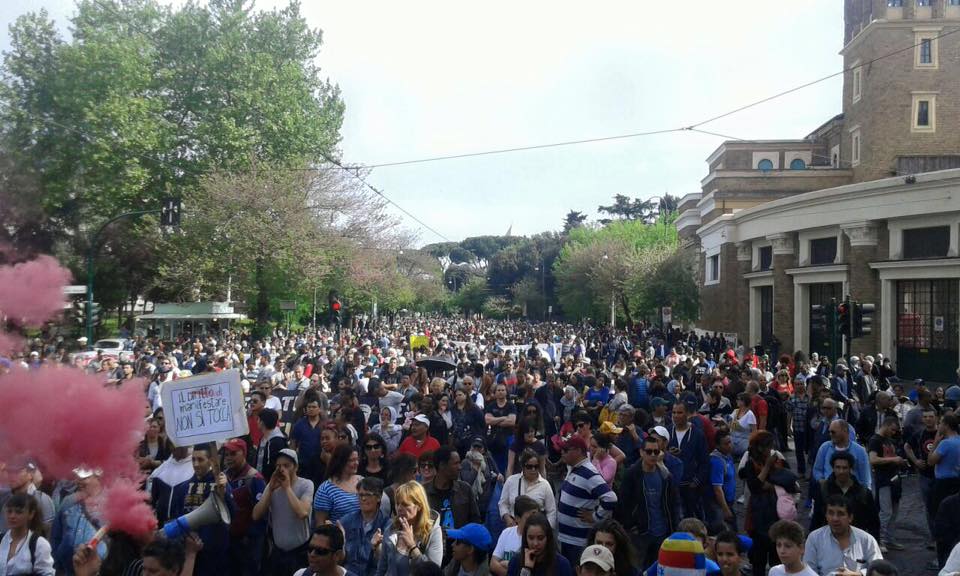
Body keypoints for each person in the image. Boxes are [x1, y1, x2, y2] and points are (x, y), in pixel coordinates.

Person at [615, 436, 681, 568]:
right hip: (640, 533)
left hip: (661, 532)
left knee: (659, 569)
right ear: (641, 452)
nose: (653, 455)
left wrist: (673, 528)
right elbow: (623, 503)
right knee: (637, 568)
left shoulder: (665, 475)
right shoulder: (632, 474)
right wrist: (629, 525)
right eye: (649, 451)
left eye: (656, 452)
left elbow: (673, 504)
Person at [252, 448, 314, 576]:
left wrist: (287, 488)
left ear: (295, 467)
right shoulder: (272, 486)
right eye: (279, 466)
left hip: (300, 552)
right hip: (278, 552)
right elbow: (256, 515)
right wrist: (269, 490)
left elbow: (302, 513)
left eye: (286, 466)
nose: (282, 470)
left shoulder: (306, 484)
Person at [556, 436, 617, 566]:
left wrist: (595, 517)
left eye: (566, 450)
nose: (562, 452)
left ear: (578, 451)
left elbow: (610, 498)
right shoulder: (574, 468)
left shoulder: (589, 473)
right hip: (569, 538)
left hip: (578, 541)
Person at [376, 481, 444, 575]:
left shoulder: (433, 532)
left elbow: (433, 572)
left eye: (405, 504)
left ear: (419, 506)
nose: (399, 508)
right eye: (397, 503)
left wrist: (412, 547)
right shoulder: (391, 529)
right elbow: (381, 569)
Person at [803, 495, 882, 576]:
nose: (835, 518)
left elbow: (880, 570)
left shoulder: (867, 540)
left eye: (840, 514)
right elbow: (808, 571)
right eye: (830, 513)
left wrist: (857, 574)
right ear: (826, 516)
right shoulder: (814, 538)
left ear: (850, 517)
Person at [222, 438, 267, 576]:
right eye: (227, 453)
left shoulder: (255, 479)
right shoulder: (223, 477)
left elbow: (262, 514)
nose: (229, 457)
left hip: (249, 543)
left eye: (233, 453)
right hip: (229, 540)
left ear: (244, 453)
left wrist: (251, 538)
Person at [50, 468, 106, 575]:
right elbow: (55, 538)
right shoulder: (68, 501)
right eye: (78, 477)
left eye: (85, 477)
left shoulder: (111, 504)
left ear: (98, 476)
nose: (78, 481)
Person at [810, 452, 879, 537]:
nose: (841, 471)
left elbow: (873, 523)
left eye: (844, 468)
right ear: (833, 468)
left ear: (851, 469)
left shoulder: (863, 492)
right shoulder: (824, 490)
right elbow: (816, 519)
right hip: (829, 540)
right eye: (838, 467)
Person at [867, 416, 905, 552]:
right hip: (883, 480)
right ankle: (880, 540)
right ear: (887, 425)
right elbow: (873, 459)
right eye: (893, 429)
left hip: (894, 479)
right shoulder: (875, 440)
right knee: (886, 511)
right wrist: (894, 459)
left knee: (894, 512)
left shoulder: (888, 440)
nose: (894, 433)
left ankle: (889, 539)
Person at [424, 446, 480, 537]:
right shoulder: (423, 493)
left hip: (460, 546)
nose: (460, 467)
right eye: (456, 463)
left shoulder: (465, 489)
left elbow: (475, 522)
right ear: (442, 465)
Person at [340, 477, 390, 576]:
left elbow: (388, 562)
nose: (363, 498)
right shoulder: (346, 521)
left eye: (368, 495)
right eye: (361, 495)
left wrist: (377, 549)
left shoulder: (387, 525)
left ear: (379, 497)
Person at [668, 401, 709, 520]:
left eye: (679, 412)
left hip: (690, 487)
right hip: (671, 486)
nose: (676, 415)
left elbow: (704, 461)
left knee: (691, 518)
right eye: (674, 412)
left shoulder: (697, 434)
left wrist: (696, 481)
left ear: (687, 414)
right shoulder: (667, 431)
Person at [498, 449, 557, 531]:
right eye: (529, 467)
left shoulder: (545, 485)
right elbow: (503, 503)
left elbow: (551, 511)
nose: (533, 470)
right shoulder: (511, 481)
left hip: (536, 531)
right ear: (522, 466)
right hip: (514, 528)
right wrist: (507, 518)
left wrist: (546, 531)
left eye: (536, 467)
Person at [904, 406, 938, 544]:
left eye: (930, 416)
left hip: (941, 476)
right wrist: (915, 461)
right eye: (925, 417)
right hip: (925, 475)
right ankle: (933, 538)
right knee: (929, 508)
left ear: (936, 417)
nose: (928, 419)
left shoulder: (941, 434)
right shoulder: (919, 434)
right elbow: (907, 446)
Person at [0, 493, 55, 576]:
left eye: (18, 512)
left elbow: (47, 573)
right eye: (9, 511)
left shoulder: (39, 544)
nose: (12, 516)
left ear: (31, 514)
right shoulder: (1, 540)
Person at [505, 511, 573, 576]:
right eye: (531, 538)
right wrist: (526, 570)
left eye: (540, 538)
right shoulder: (515, 562)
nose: (535, 543)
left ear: (548, 538)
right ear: (525, 538)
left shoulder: (562, 565)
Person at [813, 420, 872, 491]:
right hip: (829, 493)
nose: (830, 434)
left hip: (852, 494)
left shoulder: (860, 451)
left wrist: (863, 494)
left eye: (833, 432)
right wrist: (822, 482)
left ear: (845, 431)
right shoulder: (824, 448)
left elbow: (865, 478)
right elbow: (817, 470)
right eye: (829, 432)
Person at [0, 460, 55, 533]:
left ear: (30, 474)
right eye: (9, 472)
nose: (11, 476)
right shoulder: (5, 498)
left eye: (17, 472)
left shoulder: (41, 499)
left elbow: (48, 533)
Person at [492, 495, 540, 576]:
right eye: (529, 518)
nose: (533, 521)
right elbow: (493, 565)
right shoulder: (506, 533)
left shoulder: (537, 540)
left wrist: (509, 566)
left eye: (536, 517)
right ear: (517, 518)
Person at [291, 397, 325, 485]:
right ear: (305, 409)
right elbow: (293, 443)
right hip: (303, 464)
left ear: (319, 409)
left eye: (314, 407)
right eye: (309, 407)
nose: (311, 409)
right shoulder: (299, 424)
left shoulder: (325, 424)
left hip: (321, 464)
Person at [708, 430, 737, 534]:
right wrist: (725, 509)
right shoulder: (716, 461)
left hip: (729, 502)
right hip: (719, 505)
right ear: (718, 445)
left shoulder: (728, 457)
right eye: (726, 444)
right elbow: (717, 489)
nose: (729, 445)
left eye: (730, 442)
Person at [256, 408, 288, 482]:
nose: (257, 422)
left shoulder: (277, 442)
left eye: (258, 419)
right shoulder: (263, 438)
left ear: (262, 422)